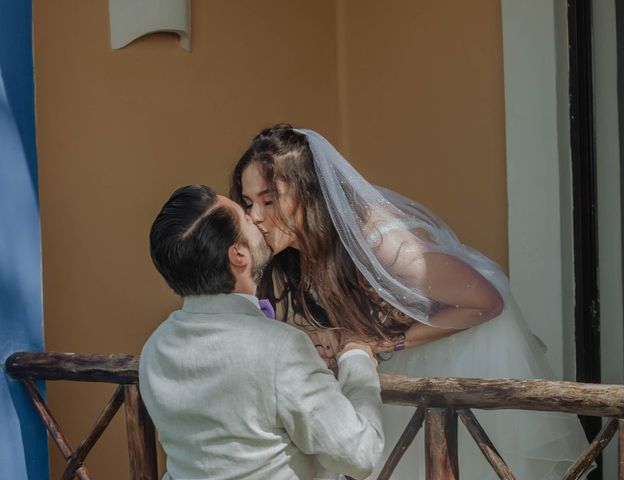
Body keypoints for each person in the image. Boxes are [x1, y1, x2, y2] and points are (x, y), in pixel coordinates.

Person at [230, 124, 592, 479]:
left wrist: (387, 343)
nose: (256, 216)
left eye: (269, 199)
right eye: (248, 203)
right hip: (398, 364)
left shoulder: (382, 245)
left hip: (457, 351)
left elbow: (485, 301)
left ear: (309, 192)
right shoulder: (298, 251)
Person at [139, 184, 384, 480]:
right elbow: (359, 456)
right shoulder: (281, 348)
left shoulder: (154, 347)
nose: (257, 218)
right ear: (239, 254)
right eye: (245, 216)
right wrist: (357, 358)